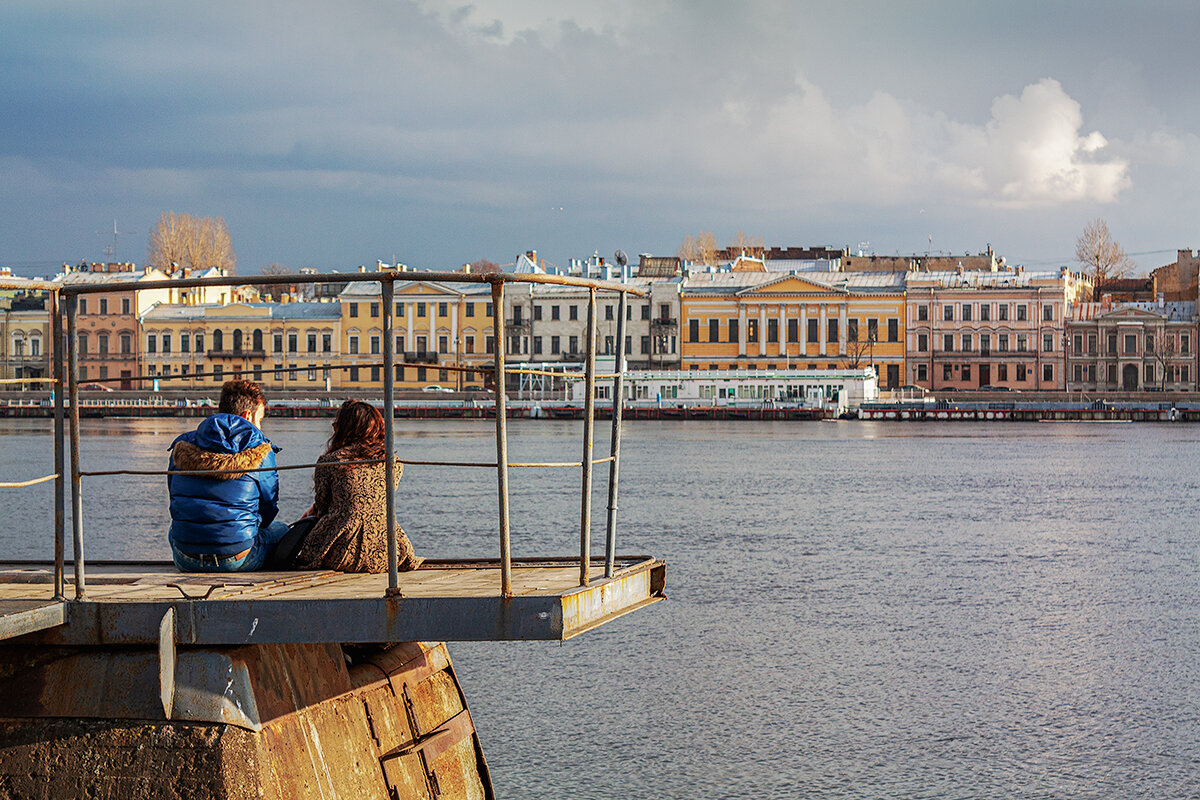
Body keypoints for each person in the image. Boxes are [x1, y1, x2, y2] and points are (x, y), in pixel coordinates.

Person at [167, 379, 289, 572]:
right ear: (247, 416)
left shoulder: (183, 445)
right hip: (236, 559)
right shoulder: (261, 451)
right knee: (282, 530)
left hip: (186, 559)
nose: (260, 427)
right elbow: (268, 513)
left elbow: (175, 500)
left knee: (174, 529)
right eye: (260, 420)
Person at [291, 400, 421, 573]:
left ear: (343, 428)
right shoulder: (393, 463)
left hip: (340, 552)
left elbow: (323, 507)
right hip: (386, 552)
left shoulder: (330, 461)